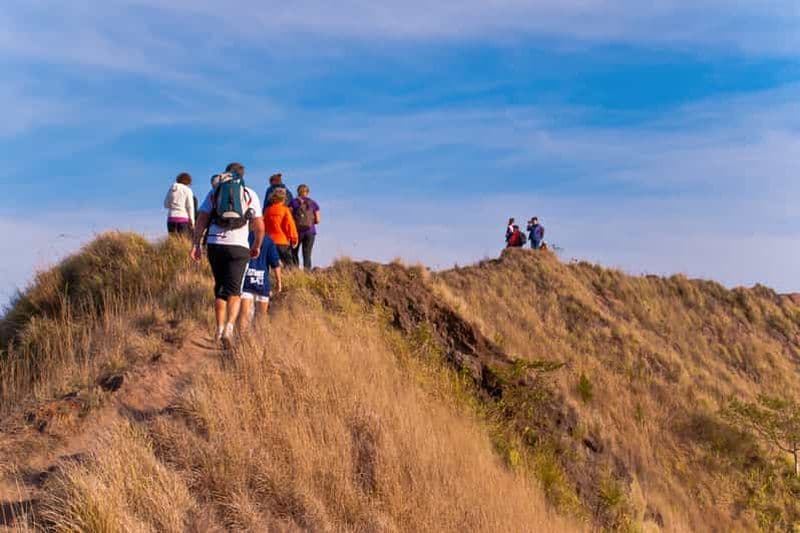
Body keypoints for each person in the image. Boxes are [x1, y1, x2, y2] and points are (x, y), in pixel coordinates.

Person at [191, 162, 264, 343]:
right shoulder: (249, 193)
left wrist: (196, 244)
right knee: (234, 291)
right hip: (239, 246)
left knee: (220, 289)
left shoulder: (214, 191)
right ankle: (229, 328)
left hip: (215, 244)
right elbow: (260, 227)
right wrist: (256, 245)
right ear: (242, 175)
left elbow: (202, 220)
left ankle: (219, 329)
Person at [239, 231, 282, 329]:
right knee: (261, 317)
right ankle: (259, 341)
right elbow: (275, 264)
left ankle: (241, 341)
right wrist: (279, 282)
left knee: (244, 314)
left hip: (246, 280)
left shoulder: (243, 236)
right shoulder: (268, 240)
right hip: (262, 282)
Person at [264, 187, 299, 267]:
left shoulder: (267, 211)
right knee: (289, 265)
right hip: (283, 242)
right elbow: (290, 225)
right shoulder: (285, 210)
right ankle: (287, 279)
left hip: (270, 241)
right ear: (284, 199)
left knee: (271, 265)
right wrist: (294, 238)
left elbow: (264, 226)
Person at [289, 184, 321, 270]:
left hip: (297, 232)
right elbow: (318, 220)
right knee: (307, 254)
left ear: (298, 192)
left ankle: (295, 272)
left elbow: (288, 218)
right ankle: (307, 273)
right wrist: (309, 222)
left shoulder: (293, 202)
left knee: (294, 252)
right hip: (310, 232)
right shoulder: (314, 204)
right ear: (307, 192)